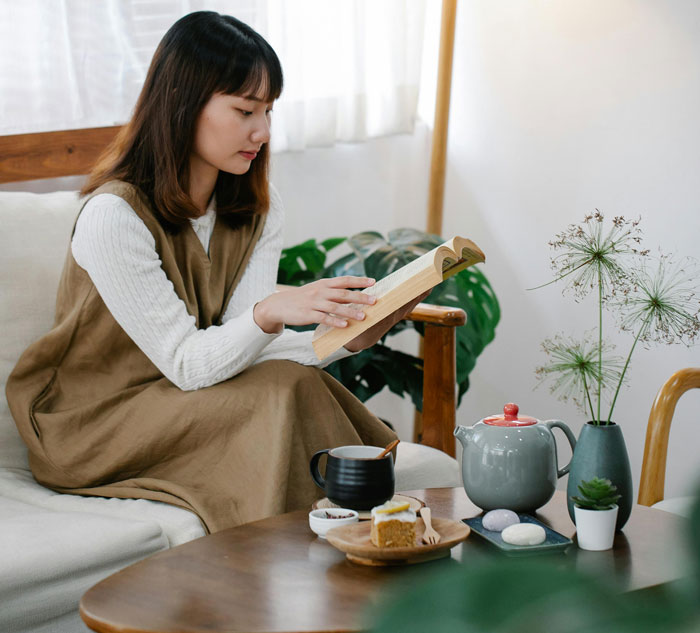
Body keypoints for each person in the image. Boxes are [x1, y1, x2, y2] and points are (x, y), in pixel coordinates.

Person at [6, 11, 425, 533]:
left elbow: (238, 353)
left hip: (192, 398)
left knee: (285, 383)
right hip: (97, 421)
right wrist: (270, 311)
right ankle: (342, 543)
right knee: (282, 391)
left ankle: (328, 549)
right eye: (245, 109)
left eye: (268, 110)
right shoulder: (114, 217)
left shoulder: (257, 212)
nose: (263, 131)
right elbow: (187, 363)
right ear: (182, 104)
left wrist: (350, 338)